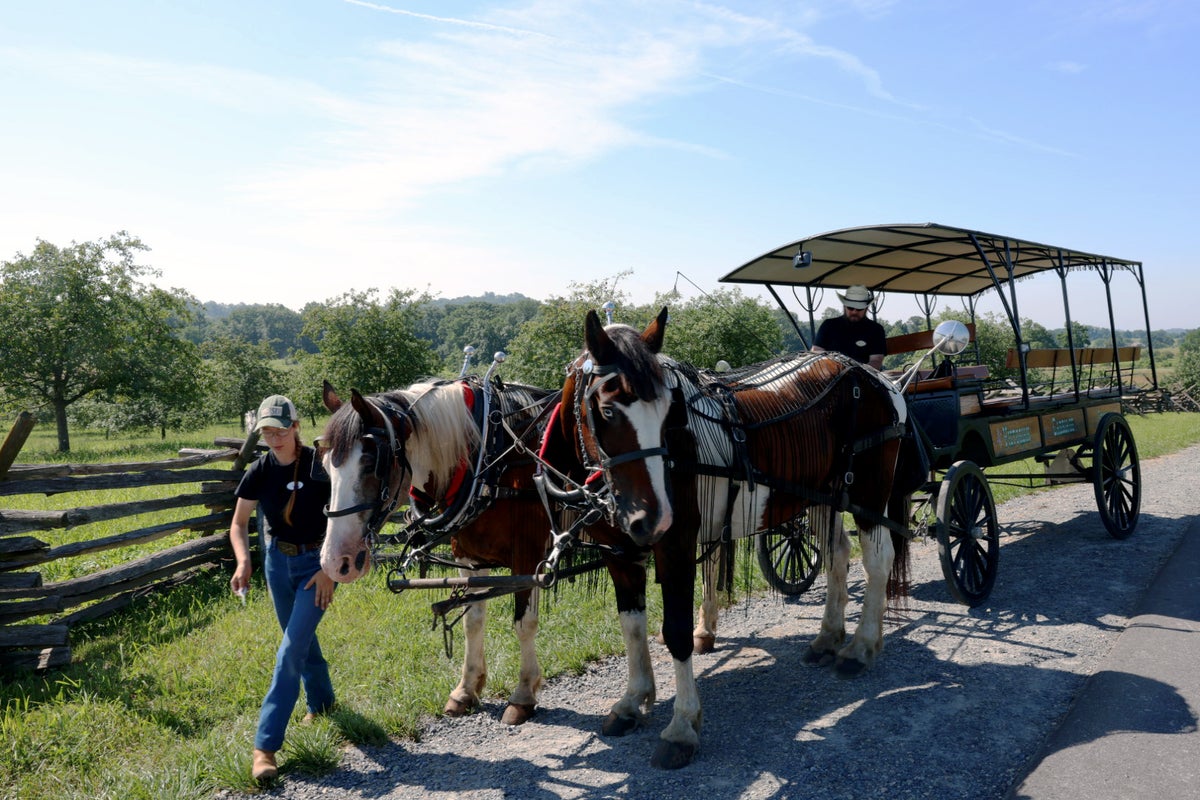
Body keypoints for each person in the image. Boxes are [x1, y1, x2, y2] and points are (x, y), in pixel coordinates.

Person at [229, 394, 335, 784]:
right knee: (298, 638)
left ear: (296, 427)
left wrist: (329, 570)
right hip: (277, 564)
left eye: (280, 430)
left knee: (290, 649)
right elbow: (238, 523)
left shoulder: (321, 465)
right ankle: (323, 703)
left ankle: (265, 747)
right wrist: (244, 561)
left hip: (316, 565)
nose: (274, 439)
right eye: (267, 432)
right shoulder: (260, 469)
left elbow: (348, 518)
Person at [811, 285, 887, 369]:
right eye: (850, 308)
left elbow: (876, 360)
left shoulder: (876, 330)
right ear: (844, 306)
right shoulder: (828, 325)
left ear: (866, 308)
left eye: (859, 309)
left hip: (863, 374)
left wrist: (858, 373)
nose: (854, 312)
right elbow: (816, 352)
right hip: (830, 373)